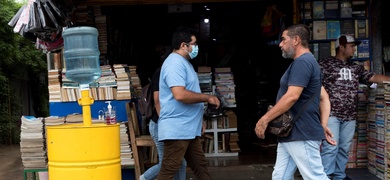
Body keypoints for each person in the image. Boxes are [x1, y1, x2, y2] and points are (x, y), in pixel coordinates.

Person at [254, 24, 335, 180]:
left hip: (301, 132)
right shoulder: (309, 62)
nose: (280, 44)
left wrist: (265, 119)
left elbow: (292, 96)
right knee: (280, 177)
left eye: (284, 40)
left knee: (315, 177)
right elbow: (324, 98)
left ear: (296, 40)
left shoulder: (302, 62)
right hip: (291, 133)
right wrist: (322, 125)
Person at [319, 34, 390, 180]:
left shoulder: (355, 68)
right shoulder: (324, 64)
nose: (354, 50)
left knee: (344, 149)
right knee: (331, 148)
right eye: (351, 46)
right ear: (342, 47)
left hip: (350, 116)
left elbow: (372, 77)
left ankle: (339, 176)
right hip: (331, 114)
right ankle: (323, 177)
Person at [156, 26, 220, 180]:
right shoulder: (174, 64)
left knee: (200, 166)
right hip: (177, 129)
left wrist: (199, 121)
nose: (196, 47)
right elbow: (180, 94)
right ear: (184, 45)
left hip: (188, 128)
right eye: (194, 44)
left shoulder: (184, 63)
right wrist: (207, 98)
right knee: (168, 170)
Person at [140, 47, 186, 180]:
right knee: (168, 163)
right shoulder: (161, 73)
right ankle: (143, 178)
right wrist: (168, 125)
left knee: (179, 162)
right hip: (160, 125)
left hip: (166, 124)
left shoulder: (172, 72)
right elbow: (157, 102)